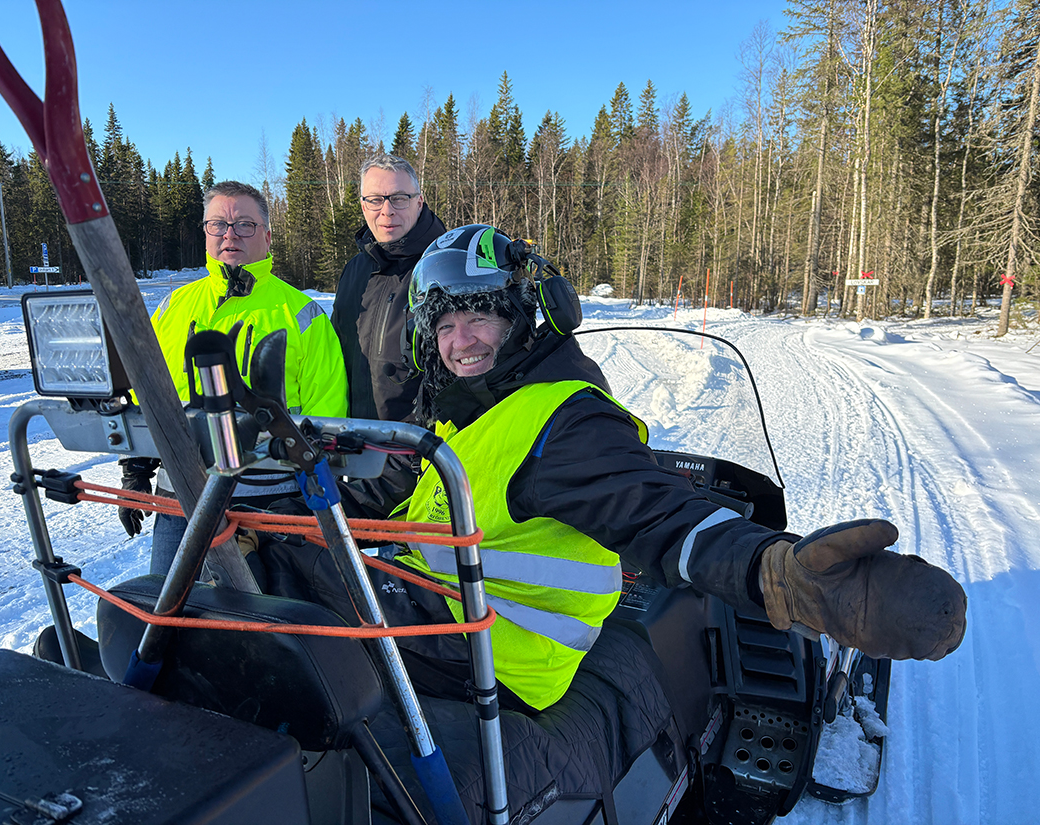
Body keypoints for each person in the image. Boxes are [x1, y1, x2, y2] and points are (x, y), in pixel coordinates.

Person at [258, 224, 967, 715]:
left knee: (277, 599)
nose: (460, 341)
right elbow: (398, 493)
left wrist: (781, 574)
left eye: (478, 317)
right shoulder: (467, 414)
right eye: (444, 326)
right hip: (443, 622)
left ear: (521, 318)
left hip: (494, 660)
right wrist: (292, 505)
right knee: (276, 573)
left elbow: (659, 514)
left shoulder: (566, 419)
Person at [118, 180, 348, 575]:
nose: (230, 234)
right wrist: (135, 469)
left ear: (267, 236)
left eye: (245, 224)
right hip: (182, 498)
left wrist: (309, 495)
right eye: (218, 224)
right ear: (205, 233)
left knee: (267, 628)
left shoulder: (302, 314)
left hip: (273, 504)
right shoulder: (174, 306)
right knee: (171, 621)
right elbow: (148, 395)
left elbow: (328, 415)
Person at [331, 153, 445, 423]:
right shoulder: (354, 271)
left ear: (419, 202)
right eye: (375, 200)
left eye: (399, 198)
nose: (387, 211)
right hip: (354, 444)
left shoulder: (443, 268)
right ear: (363, 206)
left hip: (419, 450)